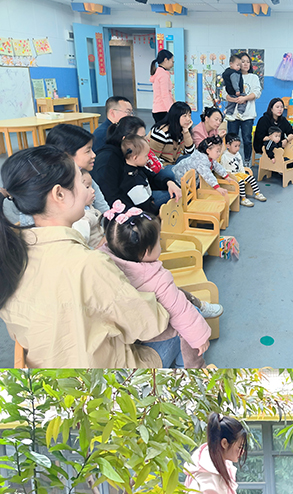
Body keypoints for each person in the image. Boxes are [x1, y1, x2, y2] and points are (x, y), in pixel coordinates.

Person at [0, 146, 169, 369]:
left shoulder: (11, 253)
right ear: (59, 194)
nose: (89, 190)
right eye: (82, 182)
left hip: (46, 370)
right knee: (181, 325)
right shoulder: (88, 264)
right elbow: (149, 324)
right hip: (102, 376)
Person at [100, 199, 213, 368]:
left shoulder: (105, 260)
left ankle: (200, 305)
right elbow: (181, 313)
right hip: (148, 338)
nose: (160, 244)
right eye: (158, 241)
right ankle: (187, 367)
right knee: (190, 316)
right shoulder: (157, 279)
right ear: (146, 252)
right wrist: (199, 337)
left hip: (128, 334)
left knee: (179, 296)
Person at [94, 116, 180, 210]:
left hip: (141, 194)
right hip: (130, 205)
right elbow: (111, 198)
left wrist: (168, 182)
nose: (146, 141)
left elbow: (149, 174)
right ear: (126, 139)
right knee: (178, 195)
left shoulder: (131, 152)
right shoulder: (108, 160)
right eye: (141, 138)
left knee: (174, 184)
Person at [172, 137, 236, 209]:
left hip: (186, 177)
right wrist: (217, 187)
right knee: (186, 195)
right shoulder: (201, 161)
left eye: (219, 151)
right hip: (178, 178)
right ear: (208, 150)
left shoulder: (208, 156)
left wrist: (226, 176)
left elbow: (217, 166)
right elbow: (207, 175)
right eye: (217, 151)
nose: (219, 154)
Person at [232, 53, 262, 166]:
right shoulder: (232, 75)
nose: (245, 64)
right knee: (232, 139)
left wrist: (244, 98)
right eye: (243, 61)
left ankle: (247, 161)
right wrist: (234, 99)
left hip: (248, 114)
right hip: (233, 115)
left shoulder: (253, 77)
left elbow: (257, 93)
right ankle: (232, 161)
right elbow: (225, 92)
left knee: (247, 139)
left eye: (248, 62)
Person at [221, 133, 266, 203]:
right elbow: (223, 169)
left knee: (251, 178)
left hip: (239, 173)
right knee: (241, 182)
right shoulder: (225, 156)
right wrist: (228, 176)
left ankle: (257, 193)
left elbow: (241, 165)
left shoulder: (238, 154)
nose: (238, 148)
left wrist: (243, 174)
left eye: (239, 146)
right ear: (228, 146)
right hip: (232, 175)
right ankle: (243, 199)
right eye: (235, 146)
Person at [148, 102, 195, 168]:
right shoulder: (161, 132)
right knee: (175, 173)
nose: (188, 119)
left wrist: (186, 131)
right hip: (162, 165)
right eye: (184, 116)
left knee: (193, 162)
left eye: (189, 115)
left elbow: (190, 153)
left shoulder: (182, 129)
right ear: (175, 116)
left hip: (174, 163)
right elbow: (152, 158)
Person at [150, 49, 175, 126]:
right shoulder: (163, 75)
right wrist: (171, 111)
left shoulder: (159, 73)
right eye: (172, 61)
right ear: (165, 60)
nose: (172, 64)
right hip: (163, 110)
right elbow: (165, 95)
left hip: (158, 109)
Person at [221, 53, 244, 121]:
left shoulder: (226, 72)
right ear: (231, 64)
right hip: (235, 91)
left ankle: (228, 114)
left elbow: (224, 83)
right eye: (237, 65)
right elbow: (235, 83)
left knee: (231, 104)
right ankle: (240, 113)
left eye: (240, 65)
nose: (239, 67)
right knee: (243, 99)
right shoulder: (234, 73)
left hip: (230, 91)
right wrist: (237, 90)